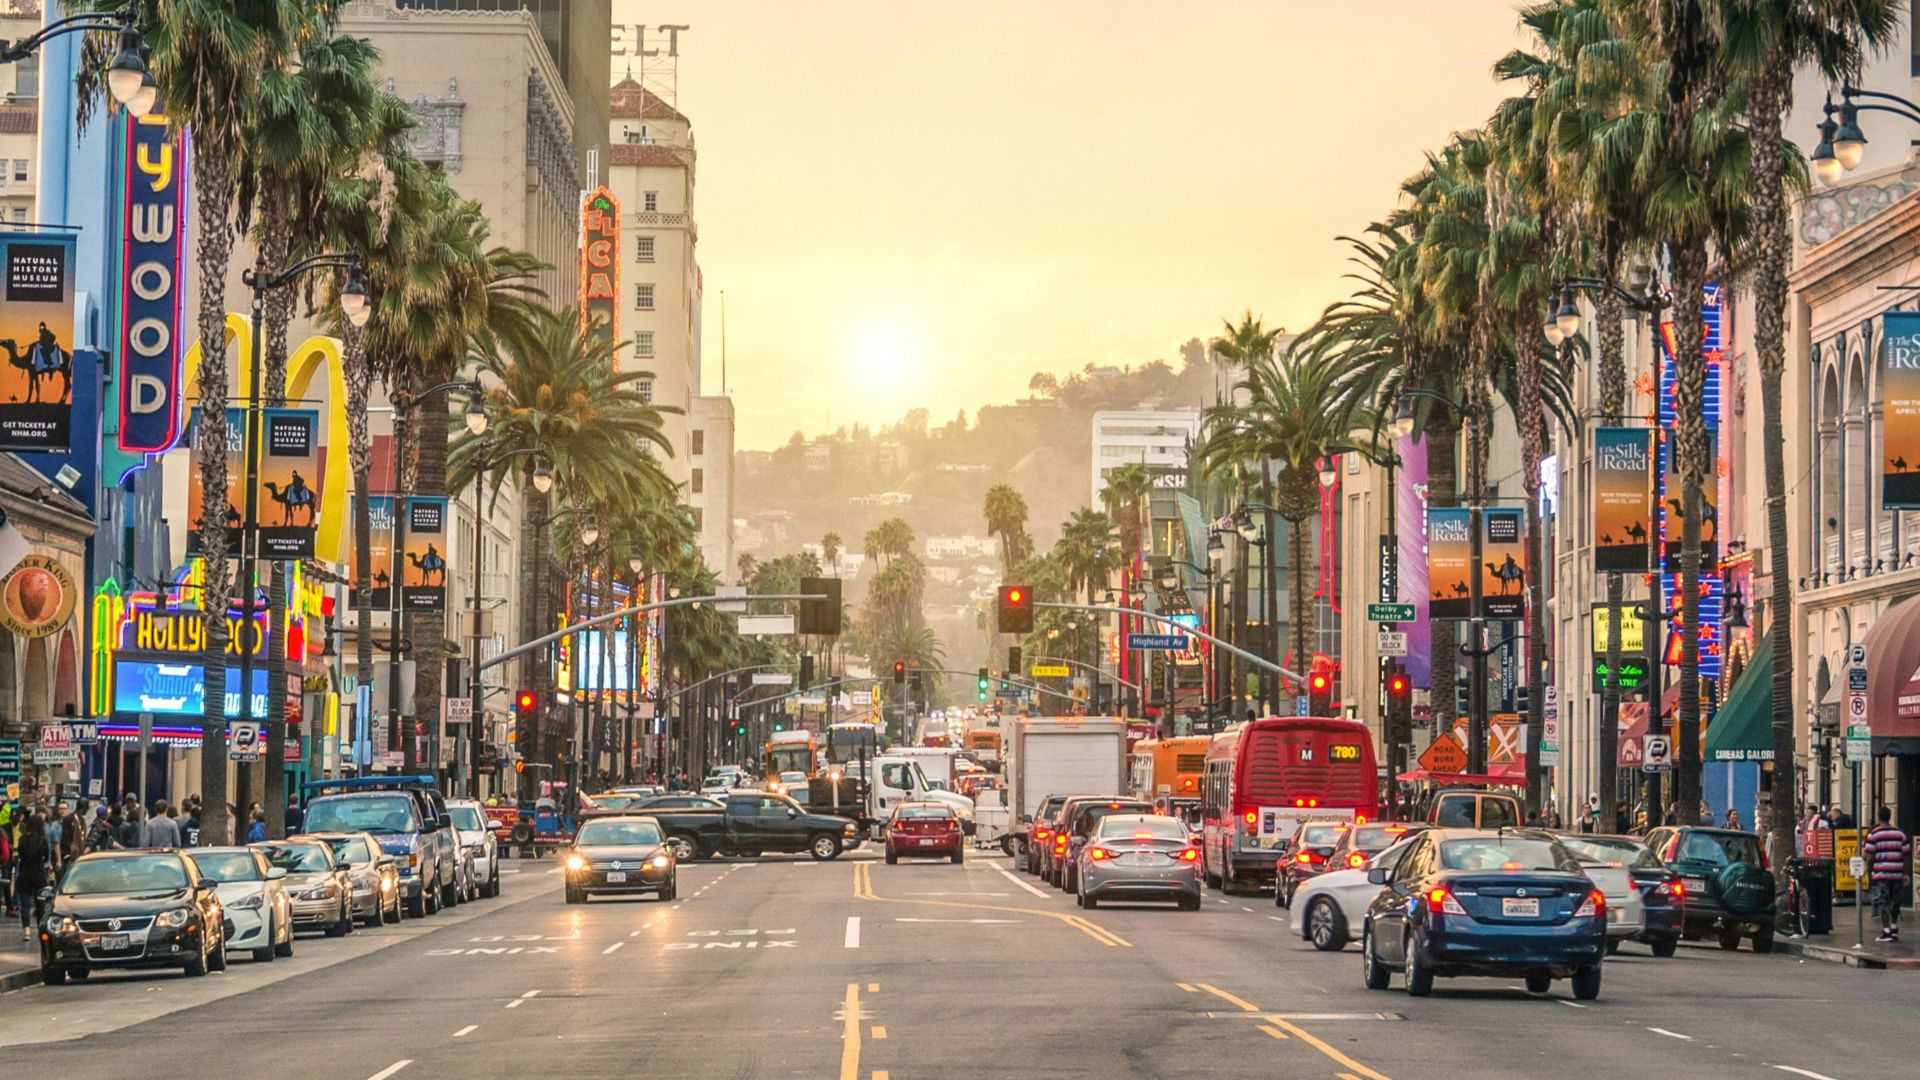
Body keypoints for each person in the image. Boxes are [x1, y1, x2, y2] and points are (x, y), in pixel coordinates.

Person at [1863, 807, 1911, 942]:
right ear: (1890, 817)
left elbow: (1870, 856)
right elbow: (1906, 854)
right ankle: (1895, 928)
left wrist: (1870, 872)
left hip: (1882, 874)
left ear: (1878, 817)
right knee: (1895, 902)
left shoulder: (1874, 834)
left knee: (1883, 903)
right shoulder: (1899, 833)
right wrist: (1905, 873)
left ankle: (1886, 932)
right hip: (1897, 873)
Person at [1796, 806, 1836, 935]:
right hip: (1811, 863)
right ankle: (1815, 923)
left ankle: (1819, 923)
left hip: (1818, 863)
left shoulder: (1821, 823)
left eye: (1810, 812)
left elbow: (1826, 836)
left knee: (1818, 895)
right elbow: (1798, 839)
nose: (1809, 814)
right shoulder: (1802, 824)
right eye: (1807, 812)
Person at [14, 811, 50, 941]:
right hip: (39, 876)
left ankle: (27, 932)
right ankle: (41, 930)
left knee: (25, 906)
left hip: (24, 874)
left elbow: (21, 856)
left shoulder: (23, 839)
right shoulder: (43, 840)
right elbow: (46, 858)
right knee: (40, 906)